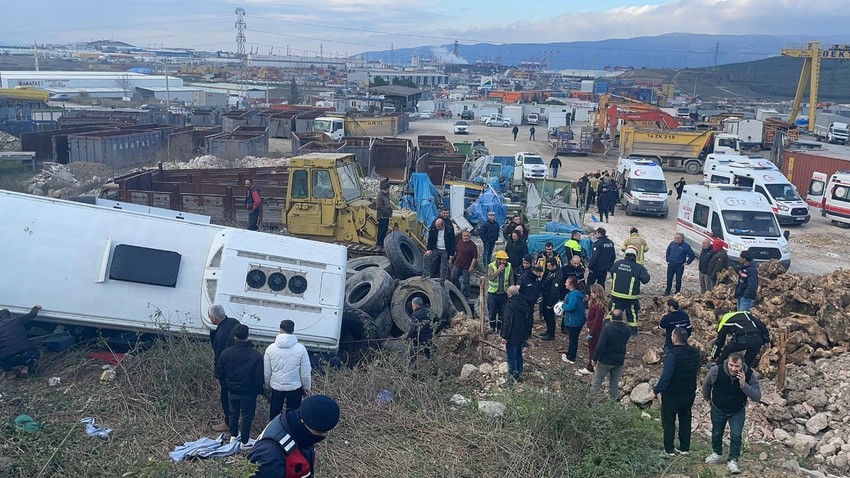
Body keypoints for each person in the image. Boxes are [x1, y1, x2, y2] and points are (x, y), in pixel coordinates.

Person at [247, 394, 341, 478]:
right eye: (319, 433)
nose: (322, 436)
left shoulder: (293, 425)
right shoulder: (269, 456)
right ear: (305, 424)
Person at [702, 353, 762, 474]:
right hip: (718, 407)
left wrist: (744, 385)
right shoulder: (716, 370)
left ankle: (733, 459)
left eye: (737, 366)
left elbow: (757, 396)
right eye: (731, 365)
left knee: (736, 434)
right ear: (727, 363)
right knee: (717, 432)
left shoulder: (750, 374)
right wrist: (707, 398)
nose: (734, 369)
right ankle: (717, 454)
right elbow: (706, 385)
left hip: (737, 410)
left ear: (742, 365)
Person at [650, 327, 701, 457]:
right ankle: (684, 448)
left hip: (672, 393)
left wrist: (656, 391)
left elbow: (666, 377)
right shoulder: (695, 352)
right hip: (689, 391)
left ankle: (669, 448)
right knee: (685, 419)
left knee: (668, 420)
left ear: (674, 338)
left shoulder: (672, 355)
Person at [216, 324, 264, 446]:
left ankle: (233, 436)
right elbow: (259, 377)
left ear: (234, 336)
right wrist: (259, 390)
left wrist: (226, 384)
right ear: (248, 335)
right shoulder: (256, 355)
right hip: (249, 391)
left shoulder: (225, 353)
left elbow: (219, 372)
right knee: (247, 416)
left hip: (231, 390)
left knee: (233, 413)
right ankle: (245, 440)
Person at [264, 320, 312, 421]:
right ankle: (291, 434)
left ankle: (273, 434)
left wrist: (267, 385)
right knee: (294, 416)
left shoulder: (270, 348)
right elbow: (305, 372)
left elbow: (267, 372)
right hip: (295, 388)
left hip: (276, 387)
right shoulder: (301, 348)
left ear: (280, 329)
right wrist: (306, 387)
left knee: (274, 415)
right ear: (293, 330)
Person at [209, 304, 241, 433]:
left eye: (210, 317)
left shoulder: (221, 335)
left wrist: (218, 373)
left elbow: (219, 356)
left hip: (228, 371)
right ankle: (236, 421)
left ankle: (229, 423)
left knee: (226, 397)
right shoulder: (234, 322)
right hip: (240, 367)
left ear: (215, 319)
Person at [609, 246, 650, 335]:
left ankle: (609, 327)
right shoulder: (638, 268)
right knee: (631, 313)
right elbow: (646, 279)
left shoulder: (617, 263)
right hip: (631, 296)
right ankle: (632, 331)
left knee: (613, 311)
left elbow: (612, 273)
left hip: (616, 294)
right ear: (635, 256)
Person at [591, 308, 631, 400]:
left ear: (612, 318)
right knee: (614, 383)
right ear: (622, 318)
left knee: (597, 382)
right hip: (619, 360)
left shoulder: (608, 329)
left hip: (605, 360)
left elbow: (600, 345)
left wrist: (594, 359)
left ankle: (590, 403)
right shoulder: (627, 329)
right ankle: (612, 404)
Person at [0, 305, 42, 378]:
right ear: (10, 315)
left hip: (8, 360)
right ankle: (26, 368)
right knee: (36, 353)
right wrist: (36, 308)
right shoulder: (17, 320)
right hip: (25, 355)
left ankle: (11, 370)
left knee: (2, 360)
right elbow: (31, 315)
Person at [500, 285, 531, 384]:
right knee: (519, 355)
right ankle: (519, 374)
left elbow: (507, 322)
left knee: (511, 357)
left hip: (512, 335)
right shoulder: (524, 302)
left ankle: (512, 377)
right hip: (522, 334)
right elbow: (528, 319)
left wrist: (504, 336)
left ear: (509, 294)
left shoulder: (510, 305)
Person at [407, 297, 444, 374]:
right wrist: (435, 333)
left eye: (412, 305)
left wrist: (408, 338)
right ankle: (438, 374)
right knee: (431, 356)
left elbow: (413, 329)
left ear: (416, 305)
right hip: (429, 338)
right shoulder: (429, 311)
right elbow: (439, 323)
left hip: (419, 339)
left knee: (412, 356)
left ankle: (413, 374)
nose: (412, 307)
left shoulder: (415, 314)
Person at [577, 284, 606, 376]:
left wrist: (592, 333)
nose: (592, 294)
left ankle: (591, 367)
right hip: (592, 328)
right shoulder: (595, 303)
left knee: (593, 349)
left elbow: (597, 322)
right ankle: (593, 366)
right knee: (592, 349)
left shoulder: (599, 306)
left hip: (595, 330)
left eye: (593, 292)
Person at [561, 276, 587, 365]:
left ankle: (571, 357)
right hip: (579, 319)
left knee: (573, 339)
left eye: (567, 282)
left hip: (574, 321)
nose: (565, 284)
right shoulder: (579, 293)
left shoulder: (573, 294)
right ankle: (570, 354)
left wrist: (563, 306)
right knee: (574, 338)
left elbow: (571, 307)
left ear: (571, 285)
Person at [487, 250, 515, 333]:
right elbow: (491, 277)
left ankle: (499, 327)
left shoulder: (509, 266)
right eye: (502, 260)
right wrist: (499, 271)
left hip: (504, 293)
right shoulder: (491, 266)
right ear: (498, 259)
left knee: (502, 312)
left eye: (505, 260)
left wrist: (511, 291)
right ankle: (492, 327)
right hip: (493, 293)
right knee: (492, 311)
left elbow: (511, 279)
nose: (504, 262)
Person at [425, 213, 455, 282]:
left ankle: (442, 279)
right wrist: (429, 249)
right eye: (436, 226)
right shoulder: (434, 228)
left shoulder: (449, 230)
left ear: (443, 225)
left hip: (444, 250)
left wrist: (451, 254)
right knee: (428, 259)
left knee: (444, 266)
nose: (437, 228)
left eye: (438, 226)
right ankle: (428, 275)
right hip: (436, 248)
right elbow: (430, 239)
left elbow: (452, 242)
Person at [538, 258, 564, 341]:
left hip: (550, 299)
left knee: (550, 317)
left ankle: (551, 334)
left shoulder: (558, 275)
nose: (548, 268)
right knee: (546, 316)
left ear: (554, 266)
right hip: (546, 297)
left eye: (549, 266)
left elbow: (554, 291)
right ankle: (548, 331)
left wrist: (550, 304)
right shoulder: (552, 272)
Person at [450, 230, 478, 297]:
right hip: (457, 264)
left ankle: (466, 295)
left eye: (467, 236)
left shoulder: (473, 246)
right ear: (462, 236)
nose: (466, 237)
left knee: (466, 282)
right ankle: (457, 291)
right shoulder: (459, 242)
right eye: (464, 236)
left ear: (469, 237)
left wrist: (471, 266)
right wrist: (451, 259)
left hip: (466, 267)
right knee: (453, 278)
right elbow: (456, 252)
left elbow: (475, 257)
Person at [518, 262, 543, 333]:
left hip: (531, 304)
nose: (539, 275)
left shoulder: (537, 278)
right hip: (523, 303)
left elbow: (538, 288)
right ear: (534, 271)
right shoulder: (524, 278)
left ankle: (528, 333)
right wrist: (526, 299)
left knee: (529, 320)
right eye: (538, 273)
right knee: (523, 320)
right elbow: (518, 291)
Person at [375, 181, 393, 249]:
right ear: (387, 188)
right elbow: (378, 207)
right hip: (382, 216)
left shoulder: (385, 195)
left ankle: (382, 243)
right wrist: (387, 211)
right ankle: (379, 244)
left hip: (386, 216)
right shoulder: (381, 195)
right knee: (381, 230)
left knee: (385, 230)